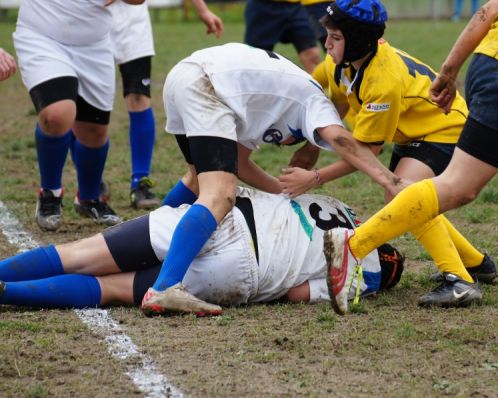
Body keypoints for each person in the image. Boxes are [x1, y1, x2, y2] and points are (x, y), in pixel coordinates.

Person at [324, 0, 498, 332]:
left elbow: (488, 11)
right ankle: (353, 246)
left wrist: (450, 69)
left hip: (495, 67)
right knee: (459, 187)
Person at [144, 42, 402, 315]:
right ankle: (166, 284)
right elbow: (342, 140)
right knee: (220, 193)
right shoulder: (316, 103)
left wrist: (282, 193)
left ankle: (148, 243)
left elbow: (239, 163)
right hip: (208, 86)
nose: (280, 144)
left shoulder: (271, 103)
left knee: (198, 180)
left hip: (187, 77)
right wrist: (389, 181)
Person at [279, 0, 495, 308]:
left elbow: (365, 154)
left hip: (445, 130)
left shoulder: (383, 81)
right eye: (326, 34)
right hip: (413, 131)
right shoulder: (340, 61)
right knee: (407, 197)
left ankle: (460, 281)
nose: (326, 44)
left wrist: (313, 177)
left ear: (359, 41)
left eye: (335, 38)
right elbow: (318, 96)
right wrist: (302, 140)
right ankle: (477, 263)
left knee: (402, 197)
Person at [0, 187, 404, 314]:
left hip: (223, 219)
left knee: (79, 254)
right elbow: (296, 293)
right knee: (112, 289)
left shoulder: (340, 206)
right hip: (245, 267)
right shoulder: (362, 278)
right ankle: (7, 294)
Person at [11, 0, 145, 231]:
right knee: (57, 115)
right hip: (42, 35)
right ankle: (50, 193)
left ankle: (89, 198)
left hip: (94, 43)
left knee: (93, 132)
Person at [109, 0, 224, 209]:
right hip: (89, 25)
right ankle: (89, 186)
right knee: (85, 109)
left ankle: (140, 182)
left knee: (139, 97)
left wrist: (202, 9)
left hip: (133, 25)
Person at [244, 0, 321, 73]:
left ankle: (317, 85)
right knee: (257, 57)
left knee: (311, 54)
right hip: (263, 6)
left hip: (297, 6)